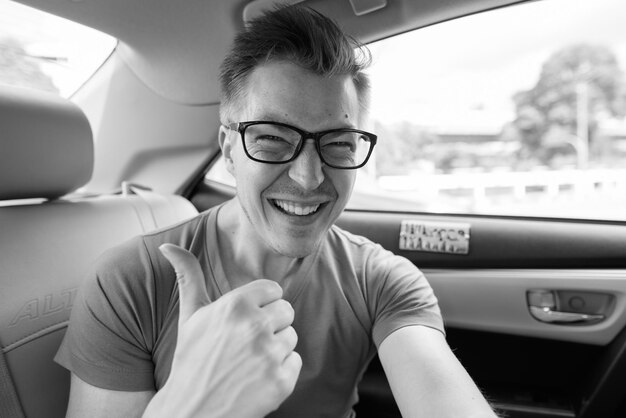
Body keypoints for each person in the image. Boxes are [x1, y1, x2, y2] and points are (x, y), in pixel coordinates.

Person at [56, 5, 497, 418]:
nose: (308, 178)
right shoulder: (132, 281)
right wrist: (194, 403)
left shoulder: (381, 280)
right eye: (271, 139)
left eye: (339, 143)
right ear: (230, 150)